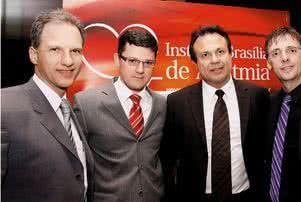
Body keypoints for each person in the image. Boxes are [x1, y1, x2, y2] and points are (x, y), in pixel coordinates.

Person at [160, 25, 269, 202]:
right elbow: (168, 159)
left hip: (247, 196)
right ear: (194, 62)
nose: (215, 60)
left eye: (220, 51)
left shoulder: (258, 96)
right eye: (205, 55)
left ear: (231, 53)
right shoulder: (177, 102)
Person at [1, 9, 94, 202]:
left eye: (75, 51)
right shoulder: (4, 107)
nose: (68, 61)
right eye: (55, 50)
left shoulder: (70, 110)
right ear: (33, 55)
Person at [73, 28, 166, 202]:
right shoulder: (87, 103)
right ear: (117, 59)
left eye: (148, 62)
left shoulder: (163, 104)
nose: (140, 69)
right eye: (132, 61)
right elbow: (76, 167)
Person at [264, 26, 301, 202]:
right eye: (275, 53)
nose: (284, 58)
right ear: (269, 63)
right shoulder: (269, 104)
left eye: (292, 50)